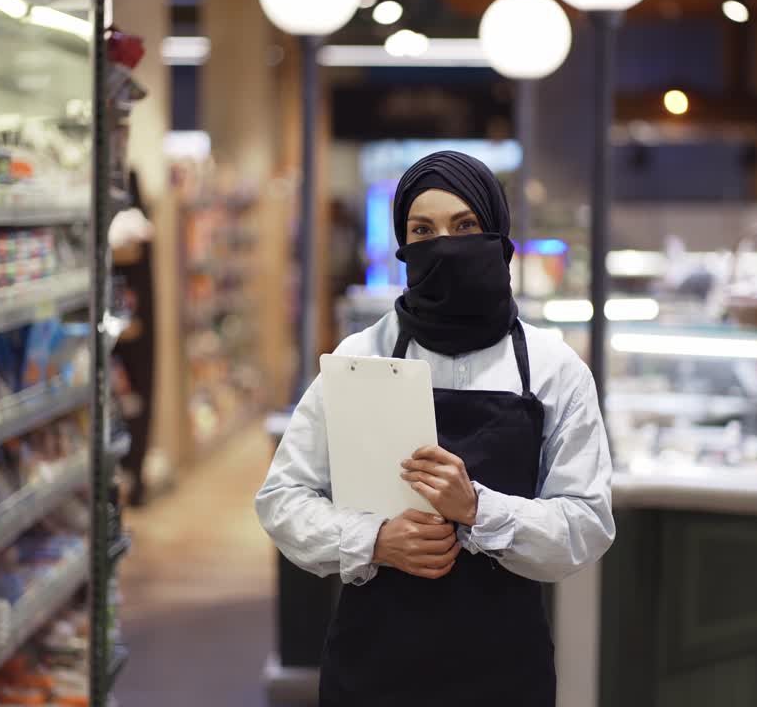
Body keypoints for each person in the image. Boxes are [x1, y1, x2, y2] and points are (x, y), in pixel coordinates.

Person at [255, 150, 615, 706]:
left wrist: (477, 509)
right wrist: (374, 540)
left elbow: (586, 526)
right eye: (422, 230)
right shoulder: (359, 357)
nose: (443, 244)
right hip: (374, 668)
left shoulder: (553, 369)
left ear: (497, 234)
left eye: (465, 226)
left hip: (503, 674)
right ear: (403, 244)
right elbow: (282, 499)